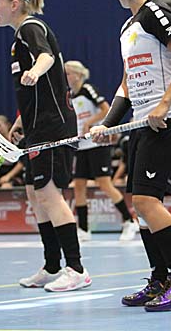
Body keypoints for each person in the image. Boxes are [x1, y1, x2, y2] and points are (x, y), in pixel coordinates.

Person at [90, 0, 171, 312]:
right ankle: (160, 279)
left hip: (169, 121)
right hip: (141, 122)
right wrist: (107, 124)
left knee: (145, 202)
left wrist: (164, 104)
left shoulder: (156, 12)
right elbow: (127, 83)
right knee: (141, 205)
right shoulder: (128, 28)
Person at [0, 0, 90, 292]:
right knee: (34, 193)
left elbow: (46, 57)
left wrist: (35, 71)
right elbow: (37, 92)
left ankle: (76, 269)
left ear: (14, 4)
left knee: (48, 193)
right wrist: (22, 120)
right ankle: (51, 265)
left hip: (53, 126)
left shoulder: (31, 28)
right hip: (36, 125)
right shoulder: (18, 38)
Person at [64, 60, 138, 241]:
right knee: (79, 185)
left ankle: (129, 221)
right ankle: (83, 229)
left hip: (97, 143)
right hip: (81, 145)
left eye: (69, 73)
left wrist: (90, 123)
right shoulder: (69, 96)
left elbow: (106, 109)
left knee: (104, 183)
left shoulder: (88, 89)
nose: (66, 77)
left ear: (78, 75)